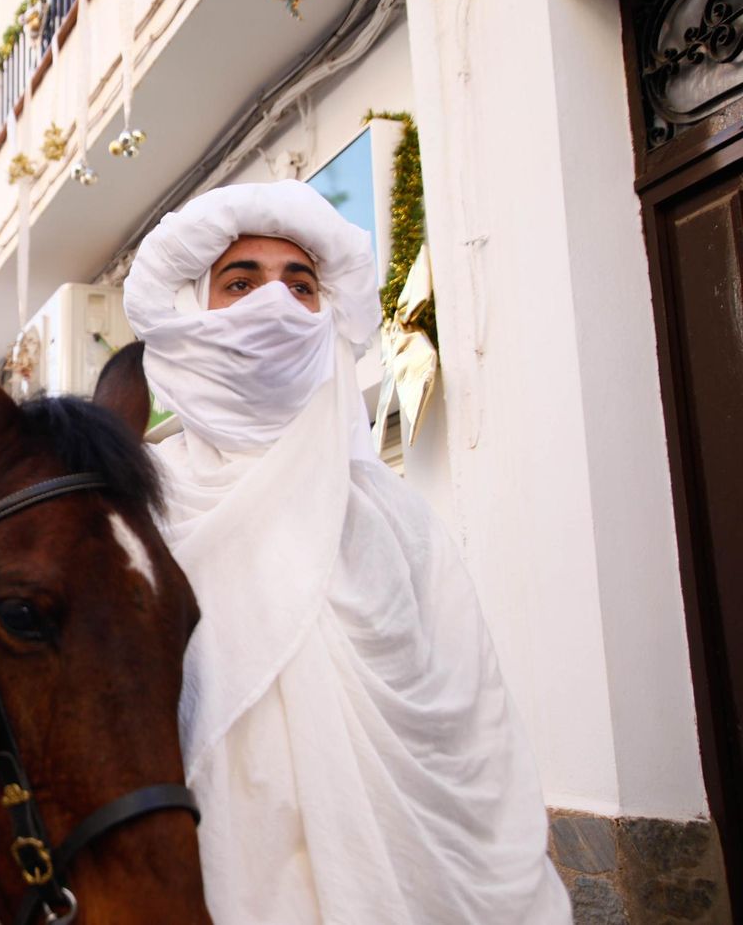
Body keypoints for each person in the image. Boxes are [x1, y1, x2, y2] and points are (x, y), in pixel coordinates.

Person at [122, 179, 570, 924]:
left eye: (301, 285)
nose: (275, 302)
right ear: (194, 316)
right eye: (241, 282)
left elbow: (472, 724)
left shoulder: (394, 518)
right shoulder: (142, 508)